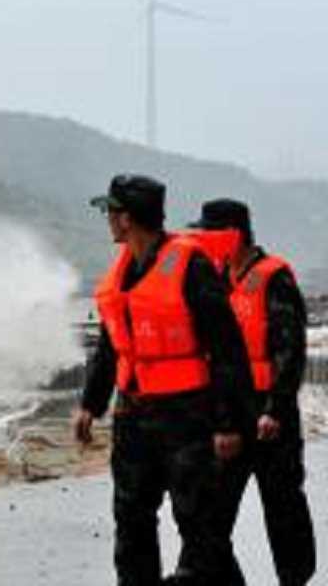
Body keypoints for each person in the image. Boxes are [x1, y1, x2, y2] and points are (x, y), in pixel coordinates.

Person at [73, 174, 254, 585]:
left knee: (200, 528)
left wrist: (228, 423)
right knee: (131, 520)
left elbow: (227, 349)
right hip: (133, 416)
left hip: (187, 416)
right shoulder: (122, 274)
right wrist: (90, 404)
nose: (108, 220)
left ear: (127, 220)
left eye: (112, 212)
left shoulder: (190, 267)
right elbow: (111, 345)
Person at [190, 198, 316, 586]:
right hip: (231, 416)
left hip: (269, 417)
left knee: (284, 511)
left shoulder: (273, 277)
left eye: (208, 233)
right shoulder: (215, 279)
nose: (201, 240)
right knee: (209, 516)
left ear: (233, 235)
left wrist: (276, 408)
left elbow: (290, 350)